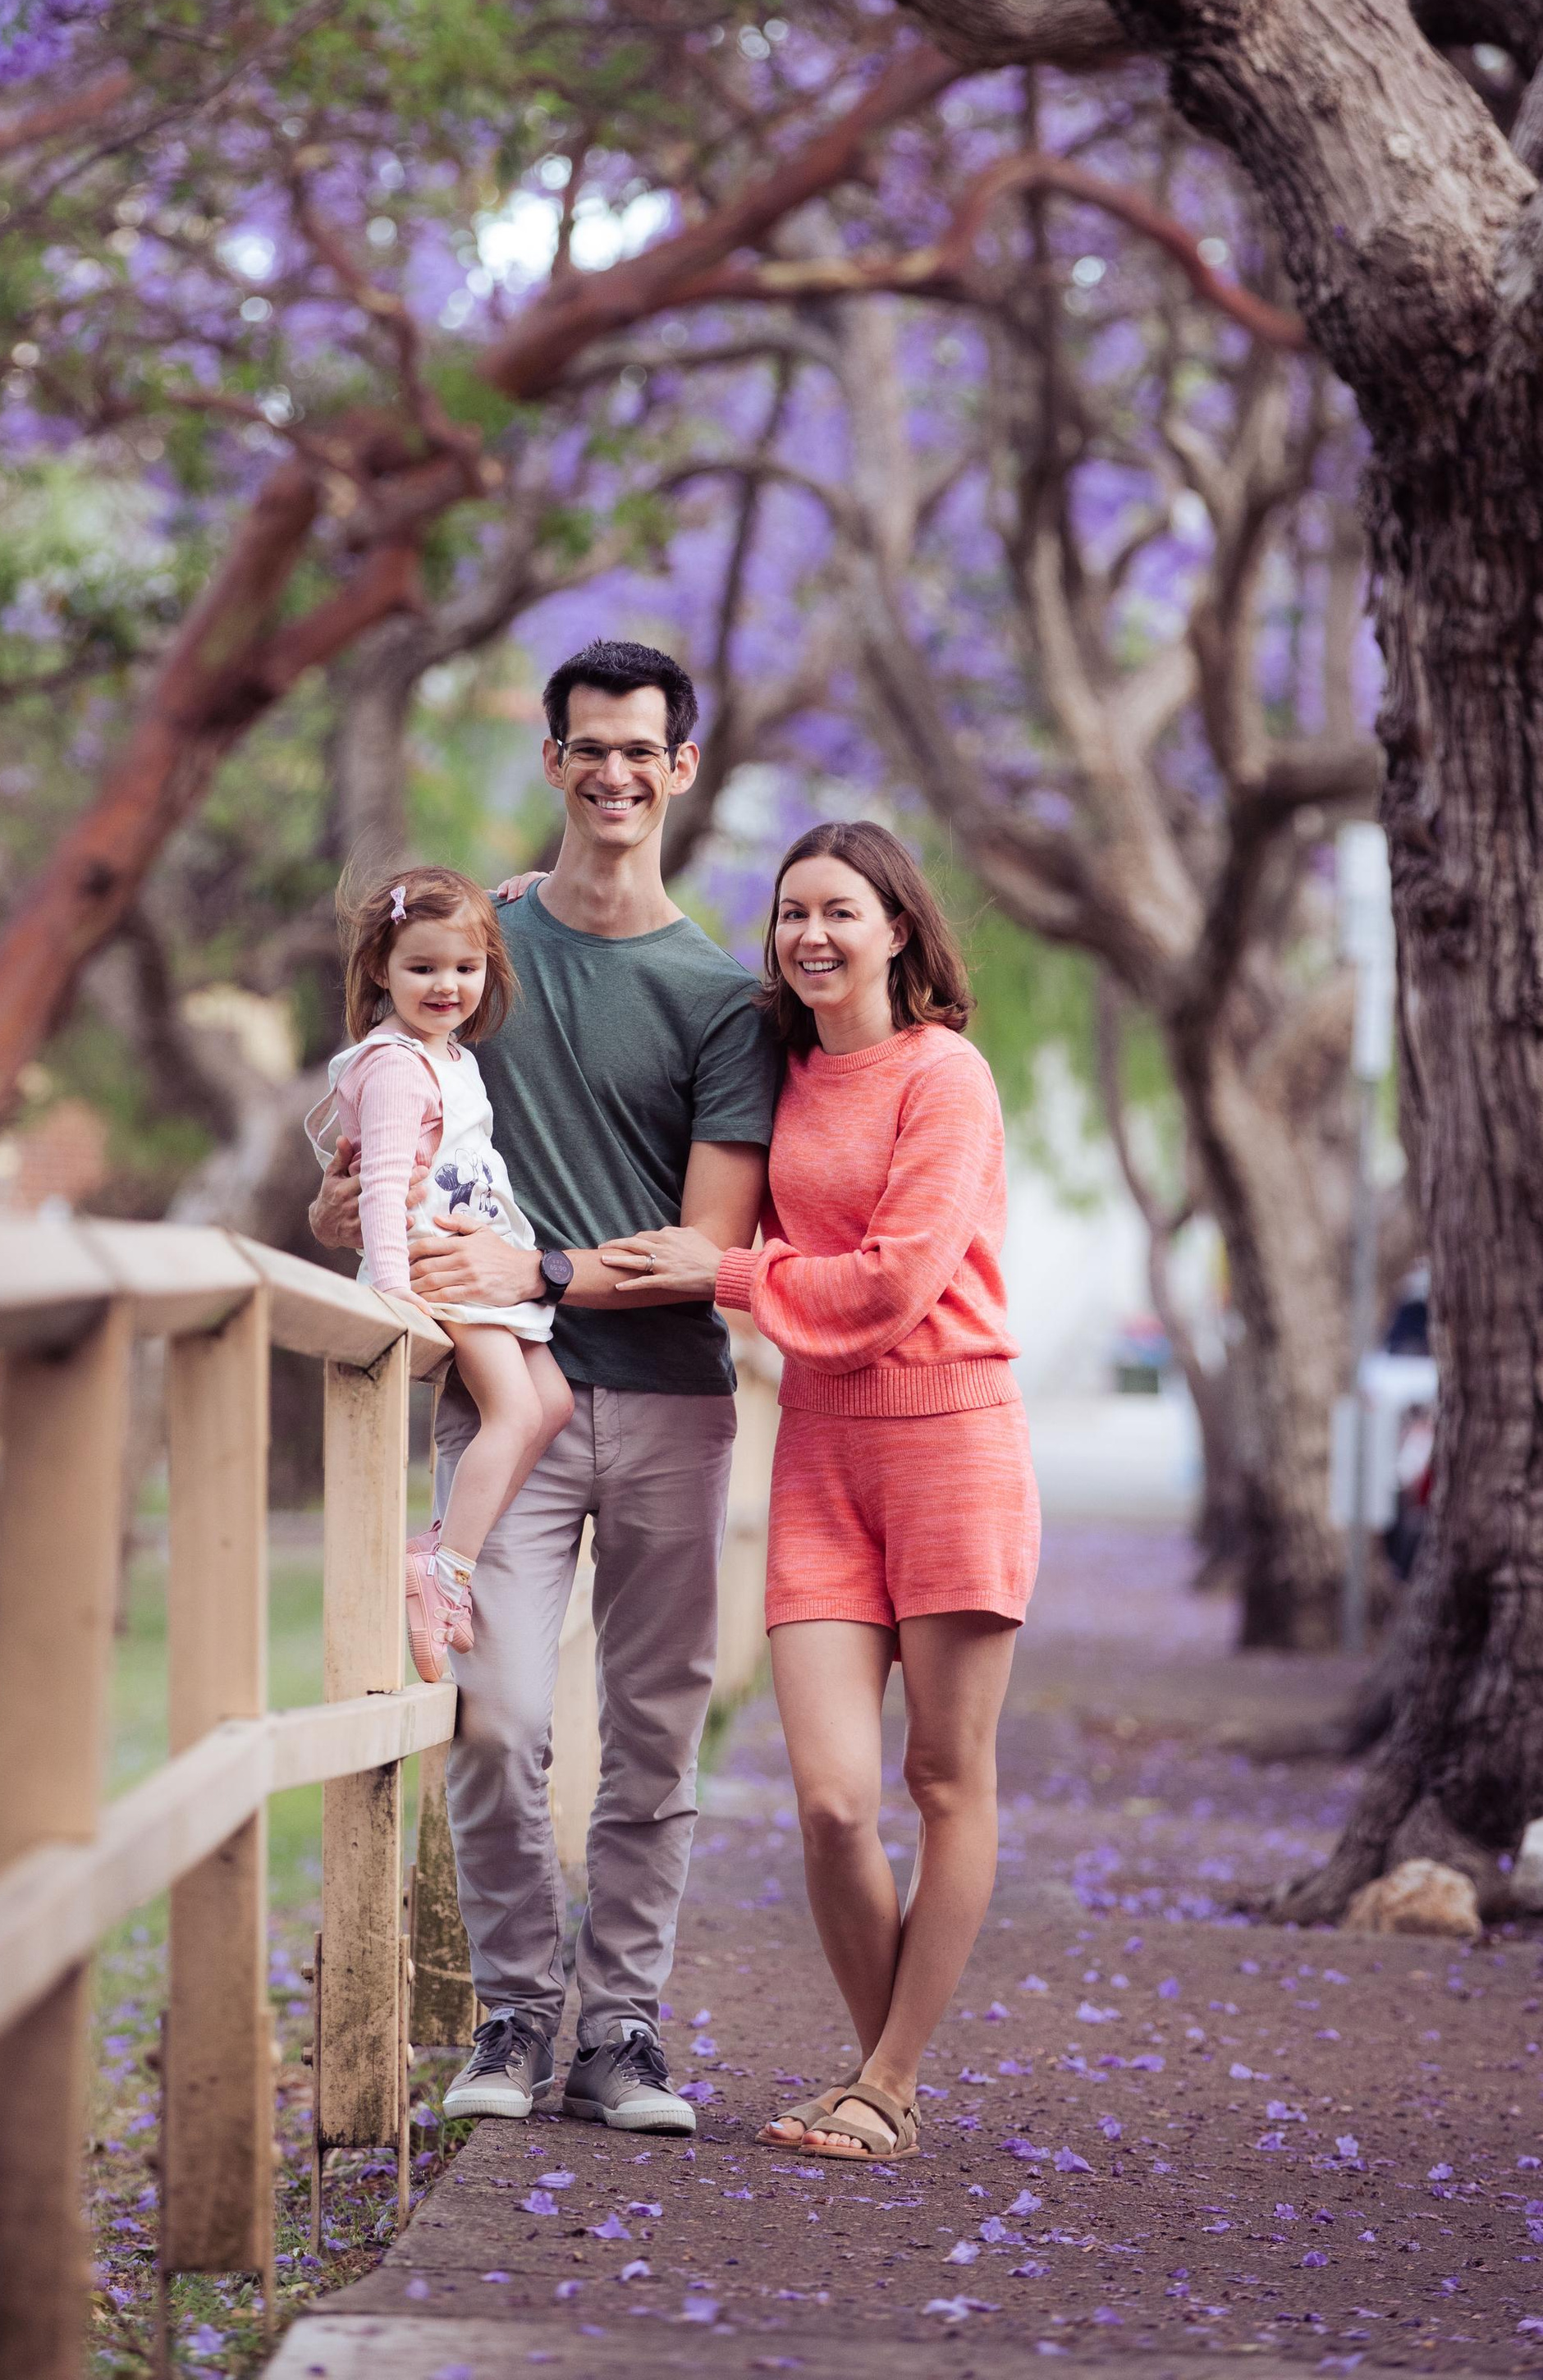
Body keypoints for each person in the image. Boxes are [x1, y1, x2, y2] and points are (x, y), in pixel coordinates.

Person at [310, 637, 778, 2135]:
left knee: (653, 1725)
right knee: (499, 1716)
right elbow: (383, 1154)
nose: (618, 772)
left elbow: (711, 1247)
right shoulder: (481, 954)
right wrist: (351, 1216)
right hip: (501, 1401)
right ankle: (516, 2017)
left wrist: (538, 1269)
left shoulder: (721, 998)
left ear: (682, 768)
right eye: (591, 747)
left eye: (645, 749)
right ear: (555, 760)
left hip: (666, 1399)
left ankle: (622, 2031)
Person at [602, 818, 1037, 2164]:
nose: (812, 935)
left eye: (841, 911)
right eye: (792, 913)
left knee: (944, 1781)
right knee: (834, 1800)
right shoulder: (774, 1069)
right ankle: (883, 2085)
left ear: (899, 927)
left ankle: (883, 2082)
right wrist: (517, 905)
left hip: (954, 1442)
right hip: (823, 1454)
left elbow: (898, 1283)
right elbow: (638, 980)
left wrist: (720, 1277)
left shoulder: (944, 1077)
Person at [312, 863, 572, 1682]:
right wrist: (393, 1295)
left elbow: (458, 924)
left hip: (478, 1253)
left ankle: (438, 1547)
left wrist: (502, 897)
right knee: (515, 1409)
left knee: (552, 1403)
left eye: (465, 967)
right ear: (381, 970)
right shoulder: (394, 1066)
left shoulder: (448, 1053)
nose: (446, 985)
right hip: (436, 1266)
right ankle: (445, 1569)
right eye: (421, 968)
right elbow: (384, 1185)